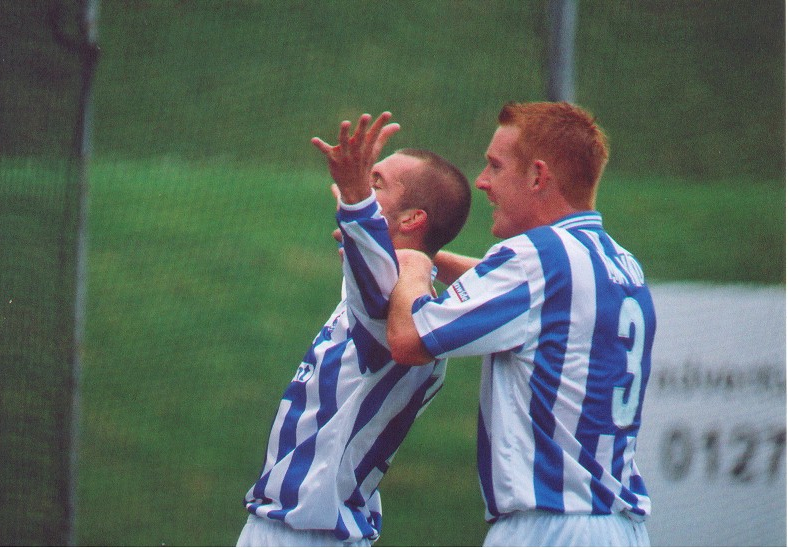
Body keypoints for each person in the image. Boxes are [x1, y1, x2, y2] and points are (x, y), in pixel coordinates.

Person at [386, 101, 655, 547]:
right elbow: (519, 292)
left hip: (550, 526)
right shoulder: (618, 263)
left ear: (537, 176)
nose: (482, 181)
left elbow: (408, 339)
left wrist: (411, 261)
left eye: (495, 165)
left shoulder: (536, 257)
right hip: (619, 530)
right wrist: (438, 259)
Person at [237, 112, 471, 547]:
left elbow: (377, 269)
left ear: (411, 220)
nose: (364, 183)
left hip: (306, 536)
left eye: (377, 182)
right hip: (293, 530)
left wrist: (353, 195)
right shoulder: (396, 295)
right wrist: (359, 208)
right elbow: (373, 255)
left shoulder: (399, 307)